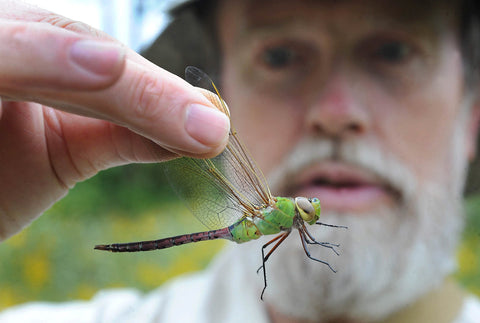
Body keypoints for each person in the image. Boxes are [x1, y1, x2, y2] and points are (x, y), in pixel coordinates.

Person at [1, 0, 480, 322]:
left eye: (394, 52)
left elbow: (312, 244)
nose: (336, 114)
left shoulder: (290, 219)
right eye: (279, 56)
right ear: (217, 104)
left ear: (472, 118)